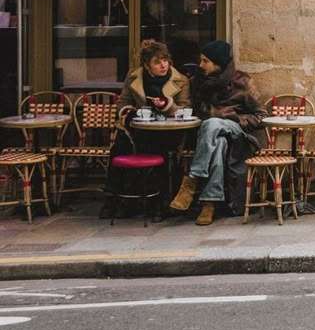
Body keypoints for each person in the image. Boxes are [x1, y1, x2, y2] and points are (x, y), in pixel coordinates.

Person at [169, 40, 266, 225]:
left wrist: (236, 119)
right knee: (217, 140)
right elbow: (192, 111)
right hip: (210, 137)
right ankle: (209, 203)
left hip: (238, 134)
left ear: (218, 62)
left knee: (213, 123)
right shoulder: (198, 83)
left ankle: (192, 180)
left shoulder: (242, 82)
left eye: (205, 61)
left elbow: (261, 116)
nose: (200, 65)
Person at [103, 40, 191, 219]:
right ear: (147, 64)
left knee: (161, 152)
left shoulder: (180, 80)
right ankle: (115, 201)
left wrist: (167, 105)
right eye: (157, 62)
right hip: (138, 129)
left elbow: (185, 109)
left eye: (165, 60)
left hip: (169, 132)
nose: (163, 65)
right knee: (119, 148)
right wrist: (129, 113)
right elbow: (123, 102)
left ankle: (159, 204)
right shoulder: (134, 77)